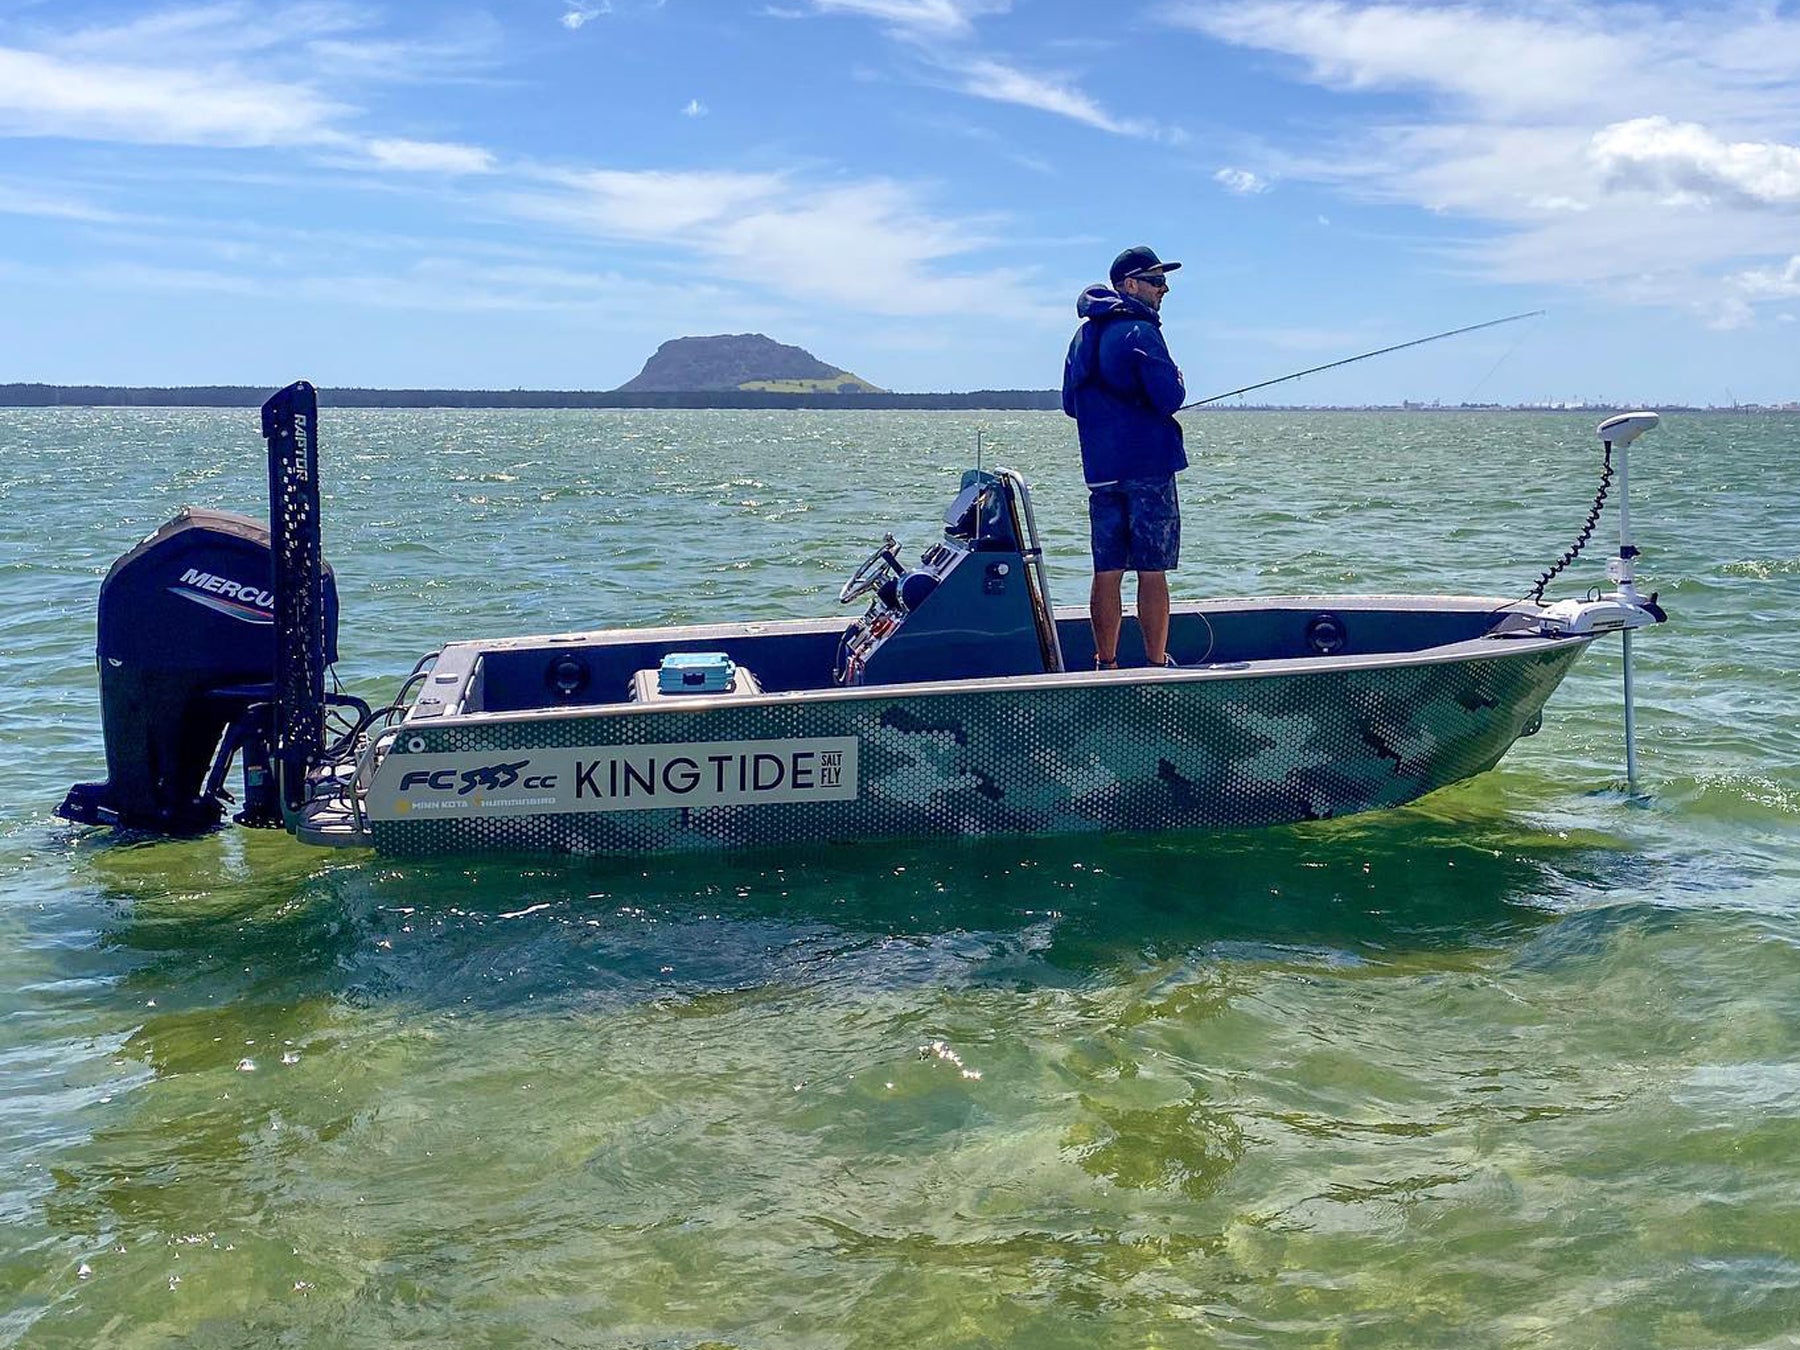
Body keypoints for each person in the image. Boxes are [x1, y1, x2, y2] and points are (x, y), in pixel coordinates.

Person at [1061, 244, 1188, 670]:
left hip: (1101, 471)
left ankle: (1107, 662)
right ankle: (1155, 663)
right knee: (1152, 570)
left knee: (1107, 570)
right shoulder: (1141, 331)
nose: (1163, 289)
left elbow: (1070, 404)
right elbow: (1169, 397)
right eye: (1155, 281)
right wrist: (1177, 378)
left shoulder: (1082, 337)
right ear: (1129, 285)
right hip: (1148, 468)